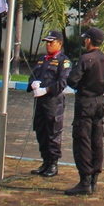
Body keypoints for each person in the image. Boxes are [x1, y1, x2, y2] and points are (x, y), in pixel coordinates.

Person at [65, 27, 104, 196]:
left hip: (85, 103)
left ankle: (84, 180)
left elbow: (72, 80)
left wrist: (83, 87)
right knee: (96, 140)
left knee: (82, 140)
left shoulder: (85, 59)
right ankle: (94, 179)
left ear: (89, 41)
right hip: (99, 103)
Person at [28, 30, 71, 177]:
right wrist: (32, 84)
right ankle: (45, 161)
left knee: (53, 133)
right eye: (47, 42)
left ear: (59, 43)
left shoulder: (63, 61)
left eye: (51, 42)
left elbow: (63, 82)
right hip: (40, 103)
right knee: (41, 131)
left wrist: (46, 90)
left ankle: (53, 164)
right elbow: (33, 75)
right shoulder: (42, 60)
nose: (48, 45)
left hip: (53, 103)